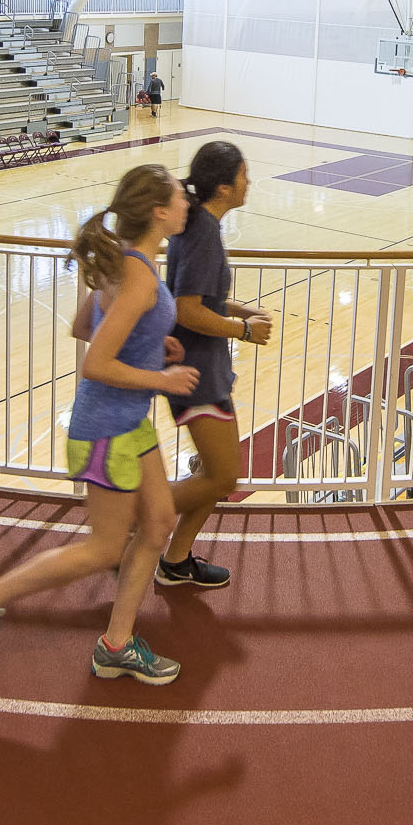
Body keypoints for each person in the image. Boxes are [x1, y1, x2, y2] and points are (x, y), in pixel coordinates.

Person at [0, 164, 197, 684]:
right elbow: (96, 363)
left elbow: (86, 325)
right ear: (158, 211)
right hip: (108, 428)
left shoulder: (125, 263)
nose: (186, 202)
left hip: (128, 423)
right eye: (179, 196)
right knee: (104, 548)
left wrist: (153, 342)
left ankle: (116, 644)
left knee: (156, 525)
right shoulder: (137, 275)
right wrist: (163, 378)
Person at [158, 142, 275, 590]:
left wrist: (240, 310)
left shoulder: (199, 226)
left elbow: (199, 295)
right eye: (245, 175)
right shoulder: (204, 232)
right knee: (223, 475)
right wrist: (241, 331)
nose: (250, 182)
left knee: (212, 474)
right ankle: (139, 517)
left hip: (203, 369)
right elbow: (188, 310)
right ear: (224, 185)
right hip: (197, 373)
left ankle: (176, 559)